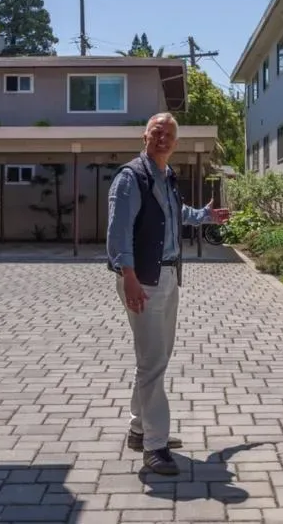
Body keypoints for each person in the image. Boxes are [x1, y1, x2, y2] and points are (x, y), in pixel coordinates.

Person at [106, 112, 230, 475]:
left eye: (169, 135)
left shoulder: (166, 176)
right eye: (157, 132)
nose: (163, 138)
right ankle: (155, 446)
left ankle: (139, 429)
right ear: (144, 136)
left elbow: (176, 214)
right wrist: (128, 276)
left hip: (168, 276)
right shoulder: (131, 177)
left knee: (155, 357)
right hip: (143, 279)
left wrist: (205, 216)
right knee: (153, 362)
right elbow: (118, 232)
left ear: (175, 143)